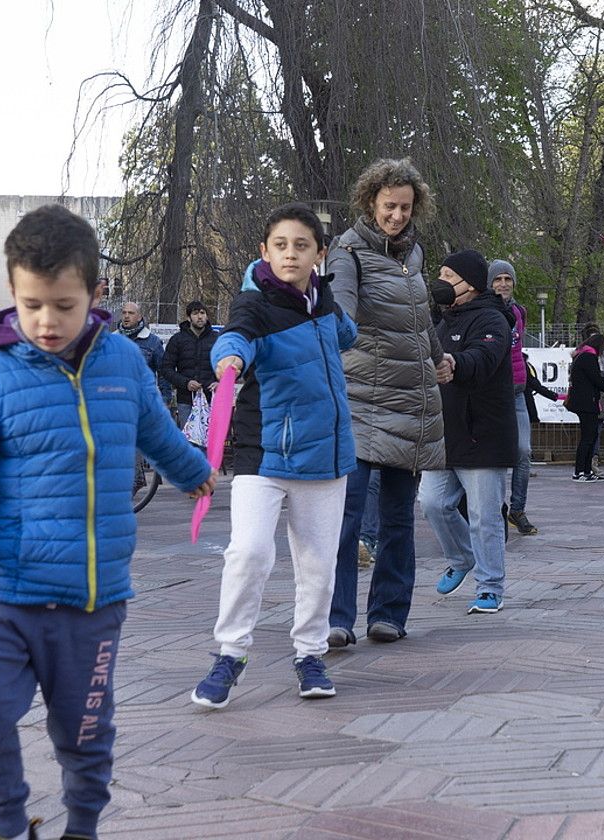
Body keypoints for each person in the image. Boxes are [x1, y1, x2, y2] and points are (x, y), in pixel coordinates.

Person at [0, 205, 214, 840]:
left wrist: (192, 469)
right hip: (7, 596)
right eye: (32, 305)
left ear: (96, 292)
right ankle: (5, 825)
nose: (47, 322)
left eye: (63, 304)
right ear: (12, 292)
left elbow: (155, 432)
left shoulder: (124, 366)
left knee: (86, 733)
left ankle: (82, 827)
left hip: (94, 602)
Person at [192, 203, 358, 709]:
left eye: (302, 245)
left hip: (327, 455)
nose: (291, 254)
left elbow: (348, 336)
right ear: (265, 252)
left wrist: (337, 313)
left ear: (319, 254)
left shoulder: (325, 303)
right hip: (263, 453)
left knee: (318, 563)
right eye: (281, 245)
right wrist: (230, 359)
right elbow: (234, 338)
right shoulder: (253, 304)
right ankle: (230, 653)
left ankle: (310, 655)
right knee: (249, 551)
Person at [328, 158, 452, 648]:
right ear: (369, 203)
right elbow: (340, 314)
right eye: (388, 207)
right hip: (360, 399)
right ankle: (336, 617)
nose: (397, 216)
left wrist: (441, 358)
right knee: (346, 513)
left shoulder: (414, 257)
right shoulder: (347, 253)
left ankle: (388, 614)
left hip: (410, 400)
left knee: (400, 517)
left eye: (404, 207)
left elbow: (419, 321)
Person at [421, 250, 518, 614]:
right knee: (432, 502)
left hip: (484, 435)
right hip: (445, 434)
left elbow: (484, 357)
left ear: (471, 284)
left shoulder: (493, 319)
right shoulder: (443, 322)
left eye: (449, 275)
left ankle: (490, 586)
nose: (441, 282)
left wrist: (455, 363)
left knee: (484, 516)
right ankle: (462, 557)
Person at [489, 259, 539, 537]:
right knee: (493, 456)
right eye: (498, 279)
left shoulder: (519, 311)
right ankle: (494, 510)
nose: (503, 284)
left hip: (518, 391)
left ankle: (517, 509)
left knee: (523, 451)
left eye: (508, 279)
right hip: (492, 393)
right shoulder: (483, 310)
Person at [567, 333, 604, 481]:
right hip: (587, 403)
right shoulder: (589, 358)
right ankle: (580, 471)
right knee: (588, 438)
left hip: (585, 402)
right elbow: (597, 380)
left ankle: (586, 471)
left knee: (589, 437)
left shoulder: (581, 356)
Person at [161, 300, 218, 428]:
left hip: (212, 398)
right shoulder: (177, 339)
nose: (200, 316)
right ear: (188, 317)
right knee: (188, 441)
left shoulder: (217, 339)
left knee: (211, 441)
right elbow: (166, 368)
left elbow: (227, 365)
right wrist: (185, 383)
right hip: (186, 400)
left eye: (203, 313)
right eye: (195, 313)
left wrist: (219, 382)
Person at [119, 300, 167, 401]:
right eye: (124, 312)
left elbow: (163, 372)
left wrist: (165, 400)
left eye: (131, 313)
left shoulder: (153, 341)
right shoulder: (113, 339)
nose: (126, 316)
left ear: (139, 317)